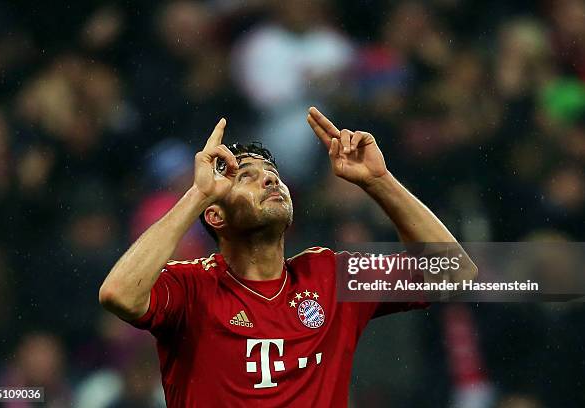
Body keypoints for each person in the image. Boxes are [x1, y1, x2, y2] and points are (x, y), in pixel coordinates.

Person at [99, 107, 477, 407]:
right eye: (246, 176)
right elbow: (118, 294)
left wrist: (379, 182)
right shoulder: (192, 286)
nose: (270, 180)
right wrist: (196, 194)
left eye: (273, 174)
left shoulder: (327, 276)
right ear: (216, 215)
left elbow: (455, 273)